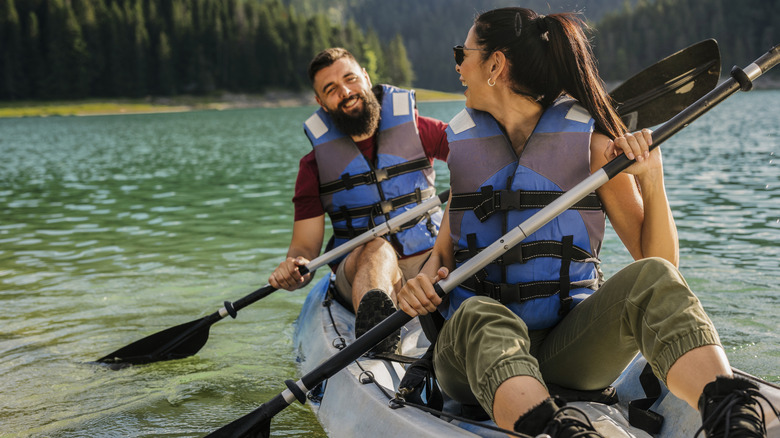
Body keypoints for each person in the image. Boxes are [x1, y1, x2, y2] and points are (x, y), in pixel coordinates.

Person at [396, 7, 773, 438]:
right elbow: (440, 259)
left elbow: (663, 266)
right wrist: (418, 286)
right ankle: (557, 430)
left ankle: (731, 413)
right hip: (470, 360)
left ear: (495, 64)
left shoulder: (593, 150)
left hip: (567, 350)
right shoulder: (466, 151)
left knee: (649, 279)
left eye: (462, 53)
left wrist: (652, 178)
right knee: (480, 313)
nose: (459, 65)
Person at [269, 48, 449, 354]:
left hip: (430, 261)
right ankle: (379, 336)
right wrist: (294, 268)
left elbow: (477, 164)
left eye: (350, 79)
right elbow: (304, 250)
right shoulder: (313, 167)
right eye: (331, 89)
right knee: (376, 247)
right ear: (321, 103)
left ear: (365, 77)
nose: (346, 92)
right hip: (361, 270)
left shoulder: (420, 129)